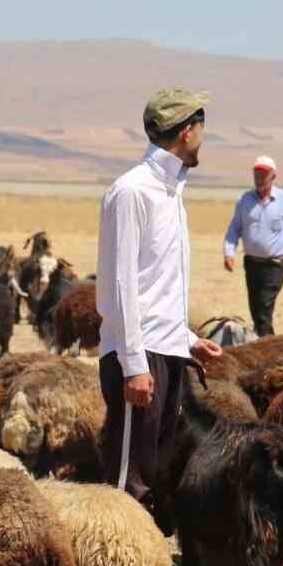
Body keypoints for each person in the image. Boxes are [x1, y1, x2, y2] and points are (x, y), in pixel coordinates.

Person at [97, 88, 224, 510]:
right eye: (202, 129)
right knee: (127, 481)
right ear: (187, 131)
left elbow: (157, 284)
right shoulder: (134, 191)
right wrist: (133, 364)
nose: (204, 138)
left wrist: (186, 339)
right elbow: (121, 284)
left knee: (153, 474)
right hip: (140, 355)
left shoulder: (172, 192)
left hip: (165, 349)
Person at [222, 156, 283, 336]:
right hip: (252, 263)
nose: (259, 178)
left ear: (273, 176)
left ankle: (267, 348)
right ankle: (263, 345)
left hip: (275, 264)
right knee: (256, 310)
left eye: (264, 174)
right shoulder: (245, 200)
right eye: (257, 174)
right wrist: (229, 252)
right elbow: (234, 228)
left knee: (264, 307)